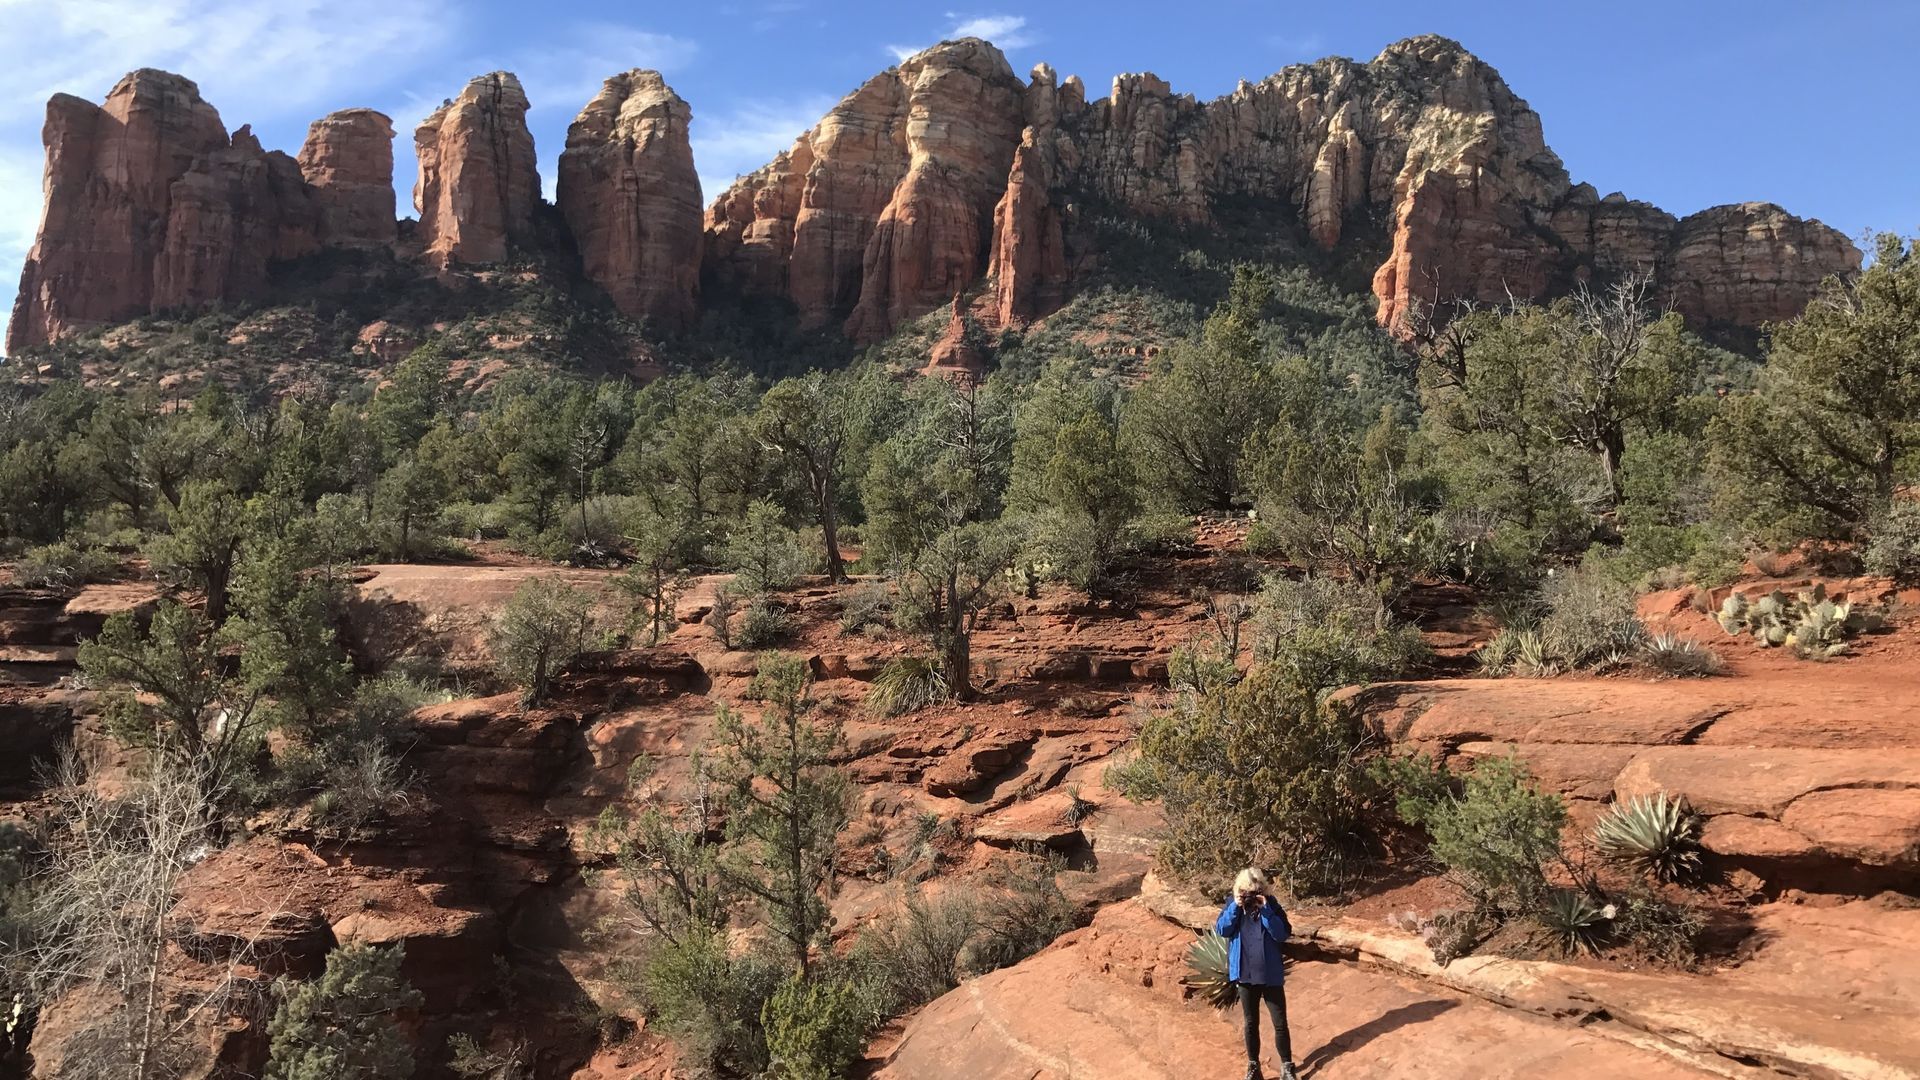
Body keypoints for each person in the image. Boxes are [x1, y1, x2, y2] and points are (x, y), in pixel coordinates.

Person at [1215, 867, 1296, 1080]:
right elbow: (1222, 930)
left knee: (1280, 1022)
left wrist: (1266, 910)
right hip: (1245, 975)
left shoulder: (1272, 905)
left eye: (1255, 890)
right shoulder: (1231, 905)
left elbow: (1282, 934)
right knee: (1251, 1022)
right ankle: (1253, 1066)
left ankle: (1287, 1066)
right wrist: (1235, 906)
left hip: (1270, 975)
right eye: (1246, 891)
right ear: (1239, 890)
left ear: (1263, 888)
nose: (1251, 895)